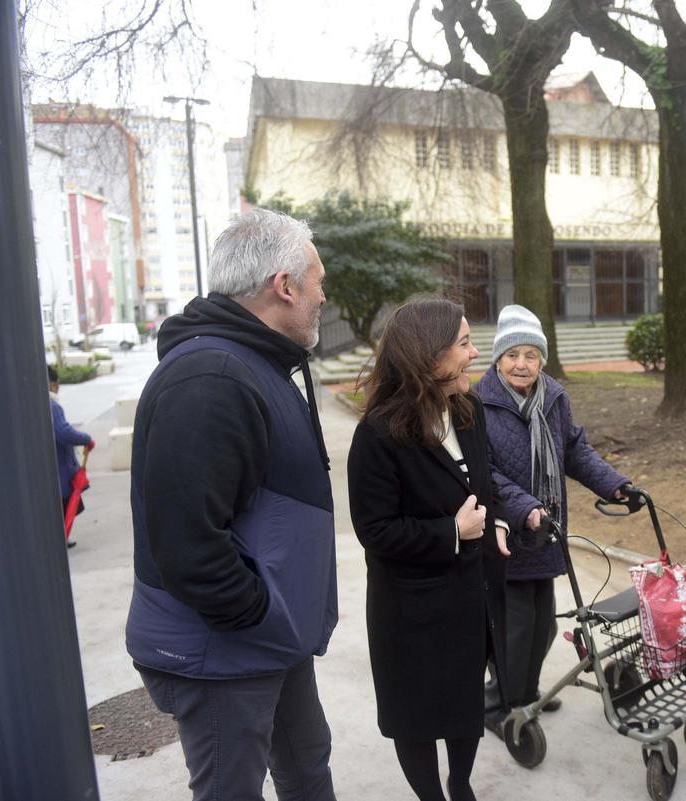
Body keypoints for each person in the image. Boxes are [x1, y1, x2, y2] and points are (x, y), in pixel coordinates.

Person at [124, 208, 338, 801]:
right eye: (317, 280)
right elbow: (189, 546)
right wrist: (260, 610)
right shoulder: (211, 377)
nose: (324, 295)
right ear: (285, 286)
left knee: (306, 766)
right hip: (225, 647)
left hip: (269, 638)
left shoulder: (252, 363)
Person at [347, 297, 510, 801]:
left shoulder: (469, 410)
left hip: (468, 598)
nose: (475, 352)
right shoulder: (377, 435)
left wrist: (497, 519)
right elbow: (375, 530)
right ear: (428, 354)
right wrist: (450, 534)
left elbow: (484, 486)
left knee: (464, 708)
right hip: (410, 612)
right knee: (416, 718)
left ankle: (460, 787)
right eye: (464, 343)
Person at [477, 304, 630, 728]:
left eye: (530, 355)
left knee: (542, 627)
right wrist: (525, 508)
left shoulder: (553, 398)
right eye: (512, 355)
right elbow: (483, 474)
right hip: (508, 532)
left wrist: (615, 485)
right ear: (498, 358)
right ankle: (503, 707)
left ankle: (524, 694)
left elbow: (574, 450)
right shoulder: (477, 404)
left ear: (541, 359)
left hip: (545, 533)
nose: (521, 364)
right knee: (513, 629)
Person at [48, 364, 94, 548]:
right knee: (63, 505)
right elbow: (64, 432)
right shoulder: (52, 406)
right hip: (60, 468)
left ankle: (60, 537)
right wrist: (86, 438)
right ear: (52, 383)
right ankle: (60, 538)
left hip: (54, 466)